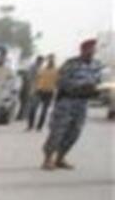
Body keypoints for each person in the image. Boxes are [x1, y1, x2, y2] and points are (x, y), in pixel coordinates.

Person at [42, 39, 104, 170]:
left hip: (82, 103)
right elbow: (60, 82)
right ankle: (48, 158)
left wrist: (95, 88)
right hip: (67, 101)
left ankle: (60, 158)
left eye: (94, 49)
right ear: (83, 50)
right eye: (90, 49)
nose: (92, 51)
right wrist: (79, 86)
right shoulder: (71, 64)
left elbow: (98, 81)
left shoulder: (97, 65)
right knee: (58, 131)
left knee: (74, 132)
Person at [28, 54, 58, 131]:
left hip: (49, 92)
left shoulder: (56, 71)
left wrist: (55, 92)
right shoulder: (42, 69)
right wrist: (33, 89)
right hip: (39, 91)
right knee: (33, 108)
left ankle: (39, 127)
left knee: (44, 111)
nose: (50, 61)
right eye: (49, 59)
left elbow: (57, 83)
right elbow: (36, 79)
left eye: (52, 60)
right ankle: (30, 126)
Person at [17, 55, 42, 122]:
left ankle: (22, 115)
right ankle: (22, 115)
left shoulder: (38, 67)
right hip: (29, 86)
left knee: (26, 102)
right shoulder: (33, 67)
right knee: (26, 102)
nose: (41, 63)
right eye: (40, 61)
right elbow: (29, 77)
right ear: (38, 60)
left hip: (31, 86)